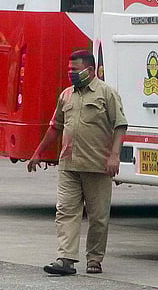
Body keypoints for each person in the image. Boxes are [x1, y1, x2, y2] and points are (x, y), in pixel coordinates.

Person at [28, 49, 127, 276]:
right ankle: (66, 258)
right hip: (69, 163)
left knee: (98, 216)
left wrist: (114, 155)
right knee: (65, 210)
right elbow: (56, 126)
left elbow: (120, 125)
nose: (70, 73)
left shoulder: (107, 94)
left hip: (97, 164)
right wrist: (38, 152)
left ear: (90, 70)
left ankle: (94, 258)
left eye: (75, 70)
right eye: (69, 69)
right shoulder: (66, 95)